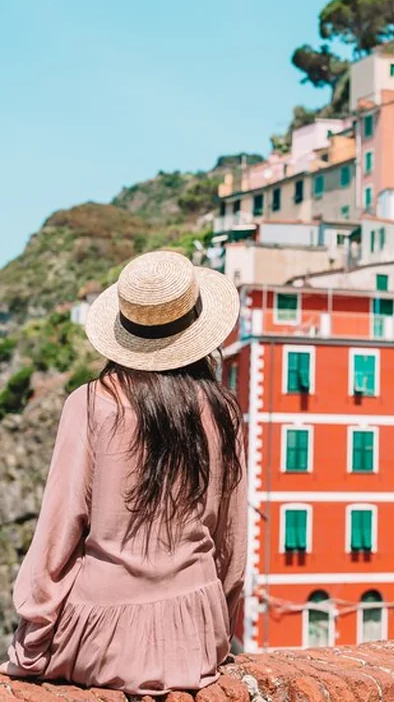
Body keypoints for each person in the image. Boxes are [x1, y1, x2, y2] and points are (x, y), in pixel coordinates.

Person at [0, 251, 247, 695]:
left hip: (102, 635)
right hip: (196, 633)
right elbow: (232, 547)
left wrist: (31, 644)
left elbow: (58, 533)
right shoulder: (223, 409)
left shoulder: (92, 403)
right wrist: (213, 631)